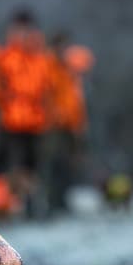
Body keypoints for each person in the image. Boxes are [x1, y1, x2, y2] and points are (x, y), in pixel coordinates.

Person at [0, 9, 52, 212]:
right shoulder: (4, 57)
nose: (22, 34)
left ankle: (32, 206)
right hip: (9, 121)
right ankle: (2, 205)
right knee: (8, 166)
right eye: (18, 29)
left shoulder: (42, 58)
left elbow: (48, 89)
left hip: (35, 123)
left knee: (32, 167)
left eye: (26, 29)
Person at [44, 32, 93, 212]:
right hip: (53, 125)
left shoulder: (67, 69)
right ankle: (52, 202)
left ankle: (61, 201)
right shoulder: (48, 67)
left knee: (66, 164)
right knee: (54, 164)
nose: (64, 51)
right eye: (61, 47)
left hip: (70, 125)